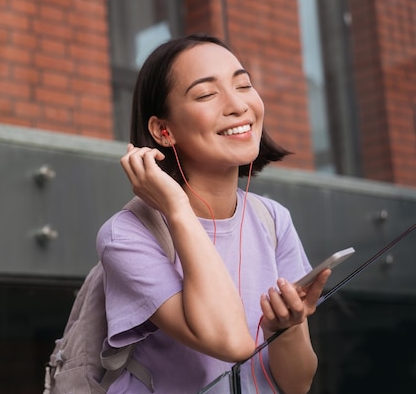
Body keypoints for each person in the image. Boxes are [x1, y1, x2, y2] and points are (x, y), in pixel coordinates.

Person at [96, 34, 330, 394]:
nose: (238, 105)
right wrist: (176, 208)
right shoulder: (126, 235)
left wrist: (284, 327)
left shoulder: (273, 219)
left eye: (244, 85)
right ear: (163, 130)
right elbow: (232, 343)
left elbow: (297, 384)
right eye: (206, 94)